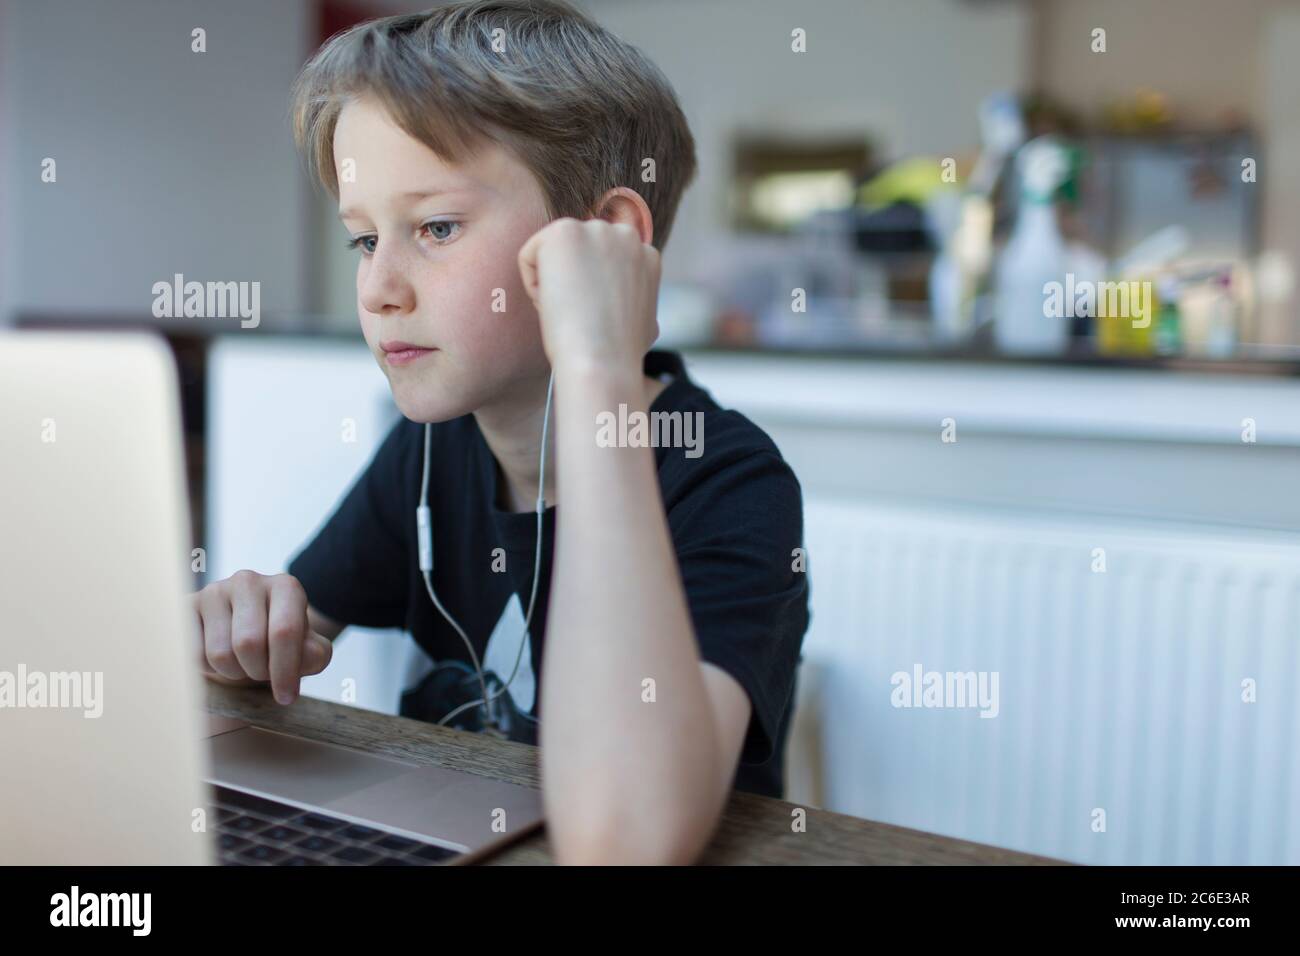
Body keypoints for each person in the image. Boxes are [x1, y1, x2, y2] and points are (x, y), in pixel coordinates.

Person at [190, 0, 808, 865]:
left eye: (436, 228)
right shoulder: (435, 446)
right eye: (365, 239)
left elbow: (628, 843)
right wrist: (243, 637)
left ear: (604, 242)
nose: (378, 290)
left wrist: (598, 359)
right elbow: (288, 636)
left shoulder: (732, 483)